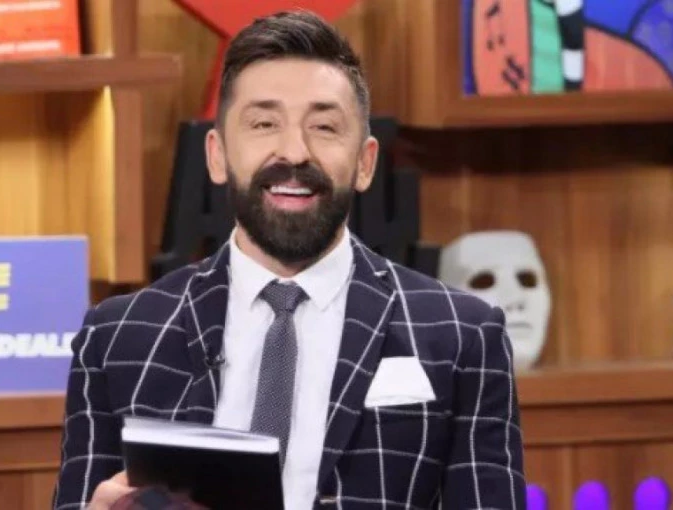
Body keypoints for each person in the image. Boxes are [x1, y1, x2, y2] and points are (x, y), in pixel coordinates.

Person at [52, 9, 526, 510]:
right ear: (217, 155)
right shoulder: (117, 338)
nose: (295, 152)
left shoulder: (462, 335)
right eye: (264, 123)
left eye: (324, 126)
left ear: (365, 163)